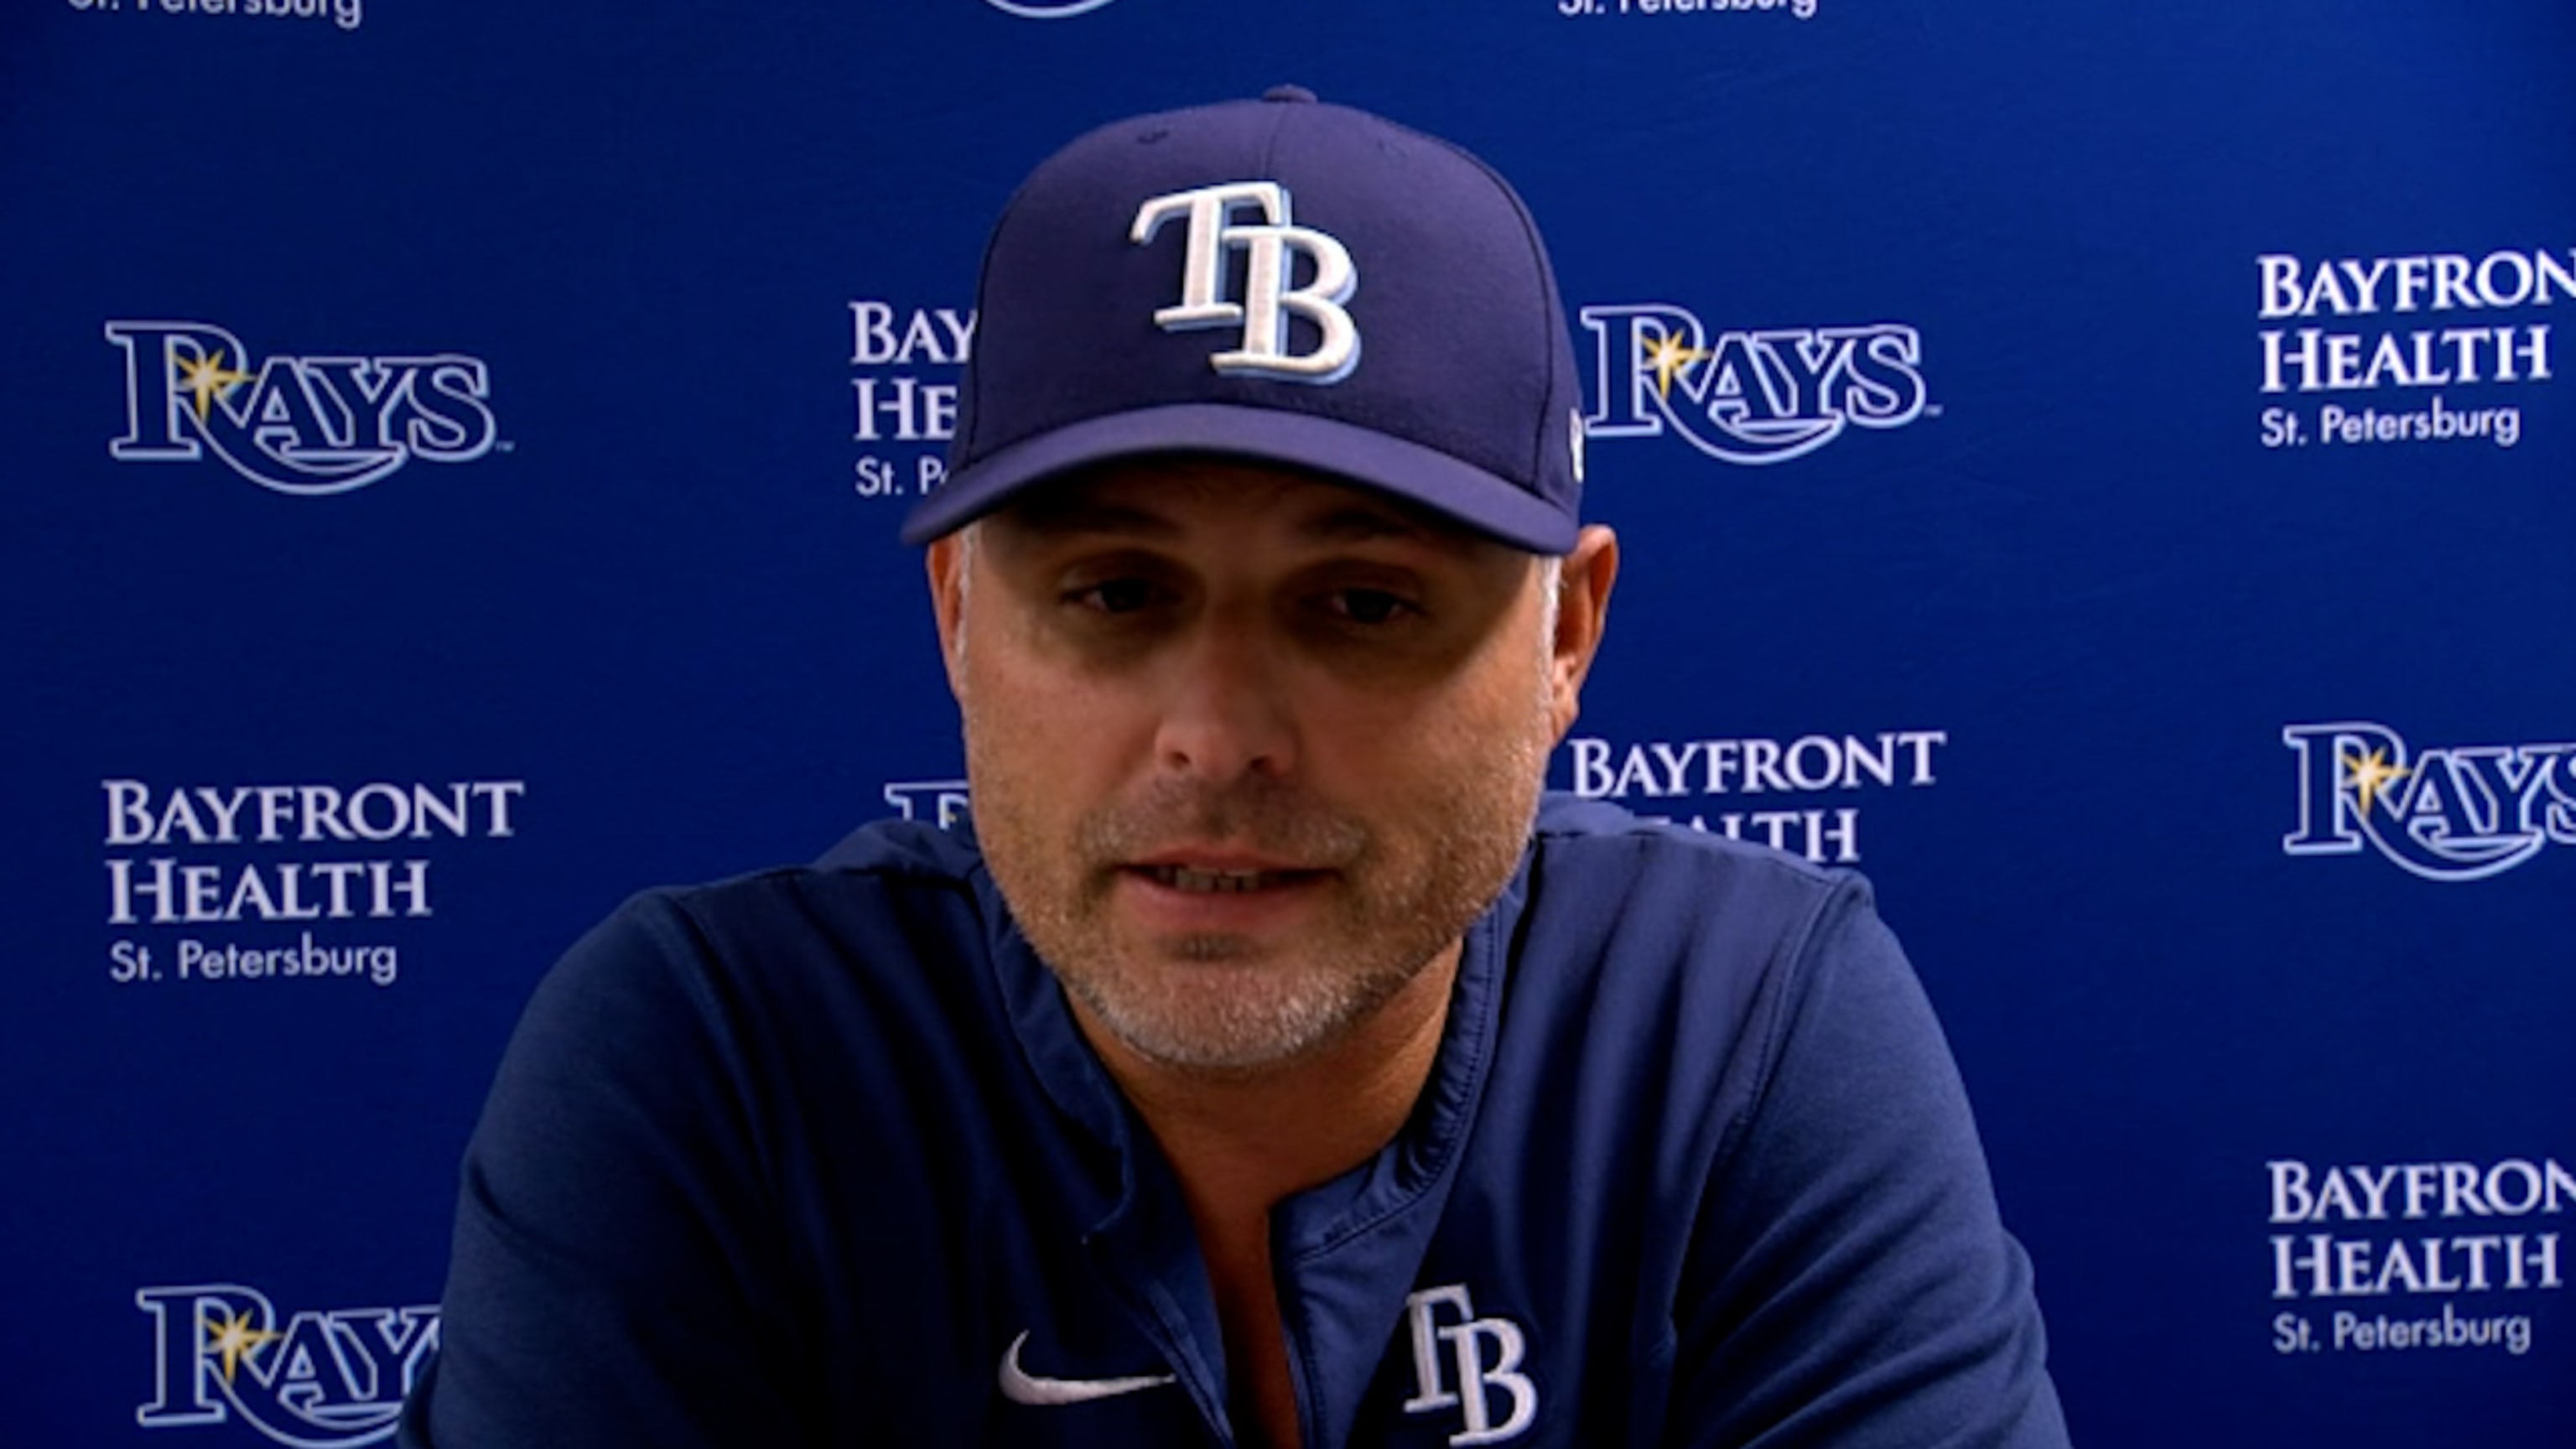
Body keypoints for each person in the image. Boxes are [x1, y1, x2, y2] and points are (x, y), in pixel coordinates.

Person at [401, 87, 2070, 1448]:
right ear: (959, 614)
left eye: (1361, 604)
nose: (1218, 736)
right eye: (1117, 596)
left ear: (1567, 636)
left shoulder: (1738, 1020)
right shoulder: (717, 1061)